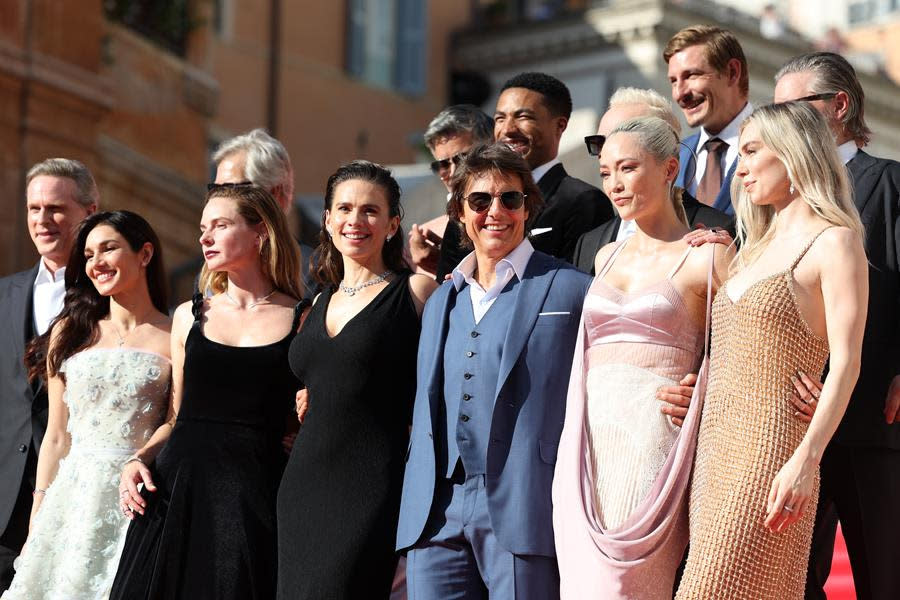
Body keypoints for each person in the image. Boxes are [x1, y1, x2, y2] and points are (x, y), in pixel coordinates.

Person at [676, 102, 868, 599]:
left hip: (772, 452)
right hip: (714, 455)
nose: (739, 167)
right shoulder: (748, 248)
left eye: (752, 151)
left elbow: (847, 363)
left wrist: (806, 460)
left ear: (795, 154)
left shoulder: (835, 242)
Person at [397, 143, 592, 599]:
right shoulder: (442, 299)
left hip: (526, 504)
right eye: (480, 201)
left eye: (511, 199)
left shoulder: (571, 288)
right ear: (460, 213)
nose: (495, 212)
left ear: (528, 208)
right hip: (436, 509)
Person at [553, 116, 732, 599]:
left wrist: (701, 386)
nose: (613, 184)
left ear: (669, 168)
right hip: (585, 446)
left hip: (654, 442)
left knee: (627, 588)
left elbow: (737, 356)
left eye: (627, 168)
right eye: (606, 172)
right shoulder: (603, 255)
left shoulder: (708, 257)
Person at [110, 184, 305, 600]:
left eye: (220, 225)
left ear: (261, 233)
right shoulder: (189, 315)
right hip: (177, 491)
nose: (204, 237)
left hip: (252, 495)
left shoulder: (302, 318)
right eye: (203, 227)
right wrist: (138, 459)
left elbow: (307, 413)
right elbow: (175, 416)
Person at [276, 161, 436, 599]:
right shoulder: (316, 302)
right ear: (327, 220)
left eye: (370, 210)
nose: (355, 220)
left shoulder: (418, 293)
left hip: (372, 486)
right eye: (344, 208)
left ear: (392, 224)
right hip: (303, 485)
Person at [773, 51, 900, 600]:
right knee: (795, 585)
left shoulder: (889, 184)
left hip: (874, 420)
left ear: (839, 105)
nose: (781, 126)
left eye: (793, 109)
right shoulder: (779, 203)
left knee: (883, 577)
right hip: (792, 429)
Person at [2, 211, 171, 599]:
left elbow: (177, 418)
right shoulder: (71, 330)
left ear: (145, 254)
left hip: (138, 500)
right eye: (89, 255)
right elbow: (57, 437)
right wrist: (37, 521)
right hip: (70, 500)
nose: (96, 263)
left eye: (108, 248)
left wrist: (142, 456)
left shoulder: (175, 331)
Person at [0, 158, 98, 591]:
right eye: (34, 209)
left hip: (71, 503)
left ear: (89, 213)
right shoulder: (3, 293)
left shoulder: (111, 300)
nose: (43, 220)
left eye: (57, 208)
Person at [572, 87, 734, 275]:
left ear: (668, 162)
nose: (610, 149)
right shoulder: (589, 244)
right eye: (600, 142)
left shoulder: (718, 235)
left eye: (628, 133)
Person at [494, 72, 613, 262]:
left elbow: (581, 283)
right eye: (500, 118)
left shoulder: (583, 201)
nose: (507, 129)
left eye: (523, 116)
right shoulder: (481, 200)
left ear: (560, 125)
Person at [665, 25, 753, 213]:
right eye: (673, 81)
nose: (680, 93)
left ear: (732, 72)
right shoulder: (675, 156)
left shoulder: (777, 147)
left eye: (691, 75)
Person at [211, 128, 313, 290]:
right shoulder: (211, 277)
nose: (220, 199)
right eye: (216, 190)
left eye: (232, 189)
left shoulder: (313, 272)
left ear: (274, 194)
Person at [409, 105, 494, 280]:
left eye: (463, 158)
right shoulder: (439, 226)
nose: (454, 172)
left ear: (493, 148)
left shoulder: (511, 210)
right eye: (443, 165)